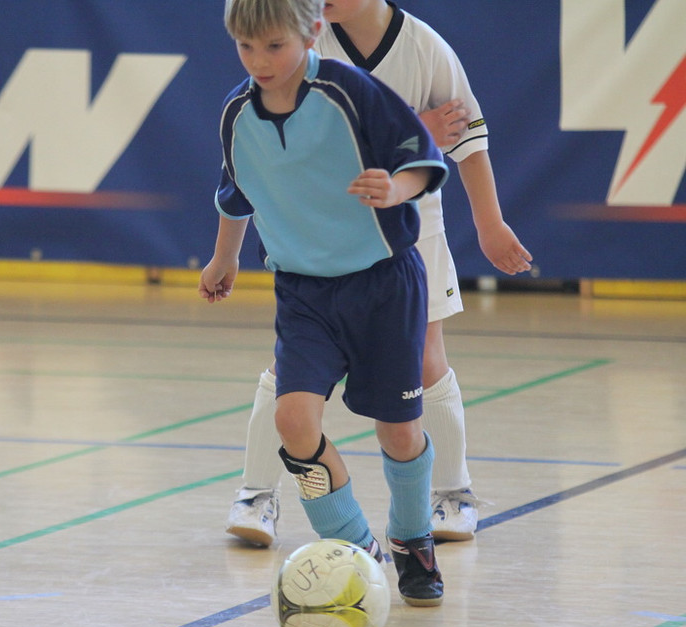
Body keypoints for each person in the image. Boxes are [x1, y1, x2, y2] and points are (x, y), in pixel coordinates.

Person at [225, 0, 533, 548]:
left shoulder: (426, 48)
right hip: (321, 236)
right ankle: (257, 494)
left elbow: (465, 143)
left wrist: (489, 224)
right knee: (289, 375)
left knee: (426, 361)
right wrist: (418, 129)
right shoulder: (301, 40)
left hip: (408, 231)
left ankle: (452, 493)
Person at [202, 0, 449, 606]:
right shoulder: (237, 112)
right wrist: (224, 258)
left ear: (312, 33)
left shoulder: (350, 92)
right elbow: (237, 193)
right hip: (303, 292)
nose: (260, 62)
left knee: (399, 432)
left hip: (383, 285)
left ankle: (413, 538)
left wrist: (395, 187)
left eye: (275, 47)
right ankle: (354, 552)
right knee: (293, 422)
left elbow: (422, 157)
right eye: (246, 48)